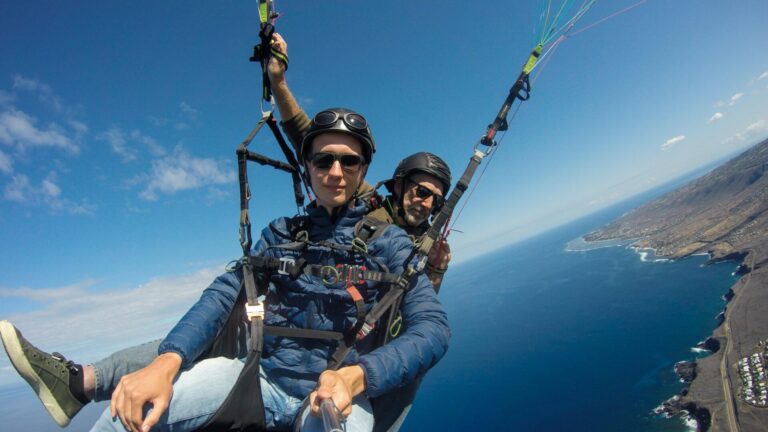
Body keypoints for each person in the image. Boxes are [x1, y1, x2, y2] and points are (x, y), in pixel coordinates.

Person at [0, 34, 453, 432]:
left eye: (349, 163)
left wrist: (360, 377)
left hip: (338, 392)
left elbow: (430, 328)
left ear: (362, 170)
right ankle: (86, 382)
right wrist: (167, 360)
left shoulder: (394, 246)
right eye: (323, 162)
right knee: (128, 414)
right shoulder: (283, 232)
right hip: (262, 375)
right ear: (309, 168)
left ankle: (85, 381)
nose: (336, 172)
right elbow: (223, 293)